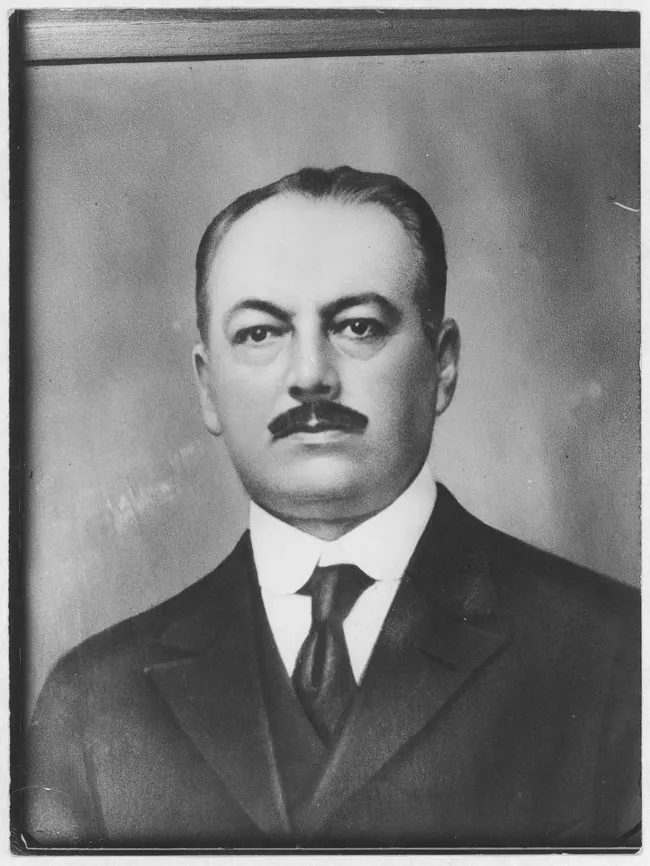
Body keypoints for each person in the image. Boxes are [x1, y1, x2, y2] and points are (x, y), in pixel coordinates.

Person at [24, 166, 640, 850]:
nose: (311, 375)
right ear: (207, 387)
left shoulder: (617, 654)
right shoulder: (94, 702)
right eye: (260, 334)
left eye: (358, 326)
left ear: (442, 366)